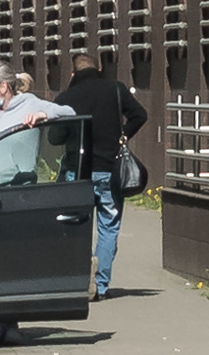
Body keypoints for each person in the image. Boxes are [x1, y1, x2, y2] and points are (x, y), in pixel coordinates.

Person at [62, 55, 148, 293]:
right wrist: (123, 136)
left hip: (77, 174)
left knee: (76, 226)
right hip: (109, 170)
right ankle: (100, 285)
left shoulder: (68, 97)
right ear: (99, 69)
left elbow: (55, 135)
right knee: (108, 226)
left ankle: (78, 280)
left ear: (73, 75)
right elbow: (140, 115)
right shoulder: (116, 89)